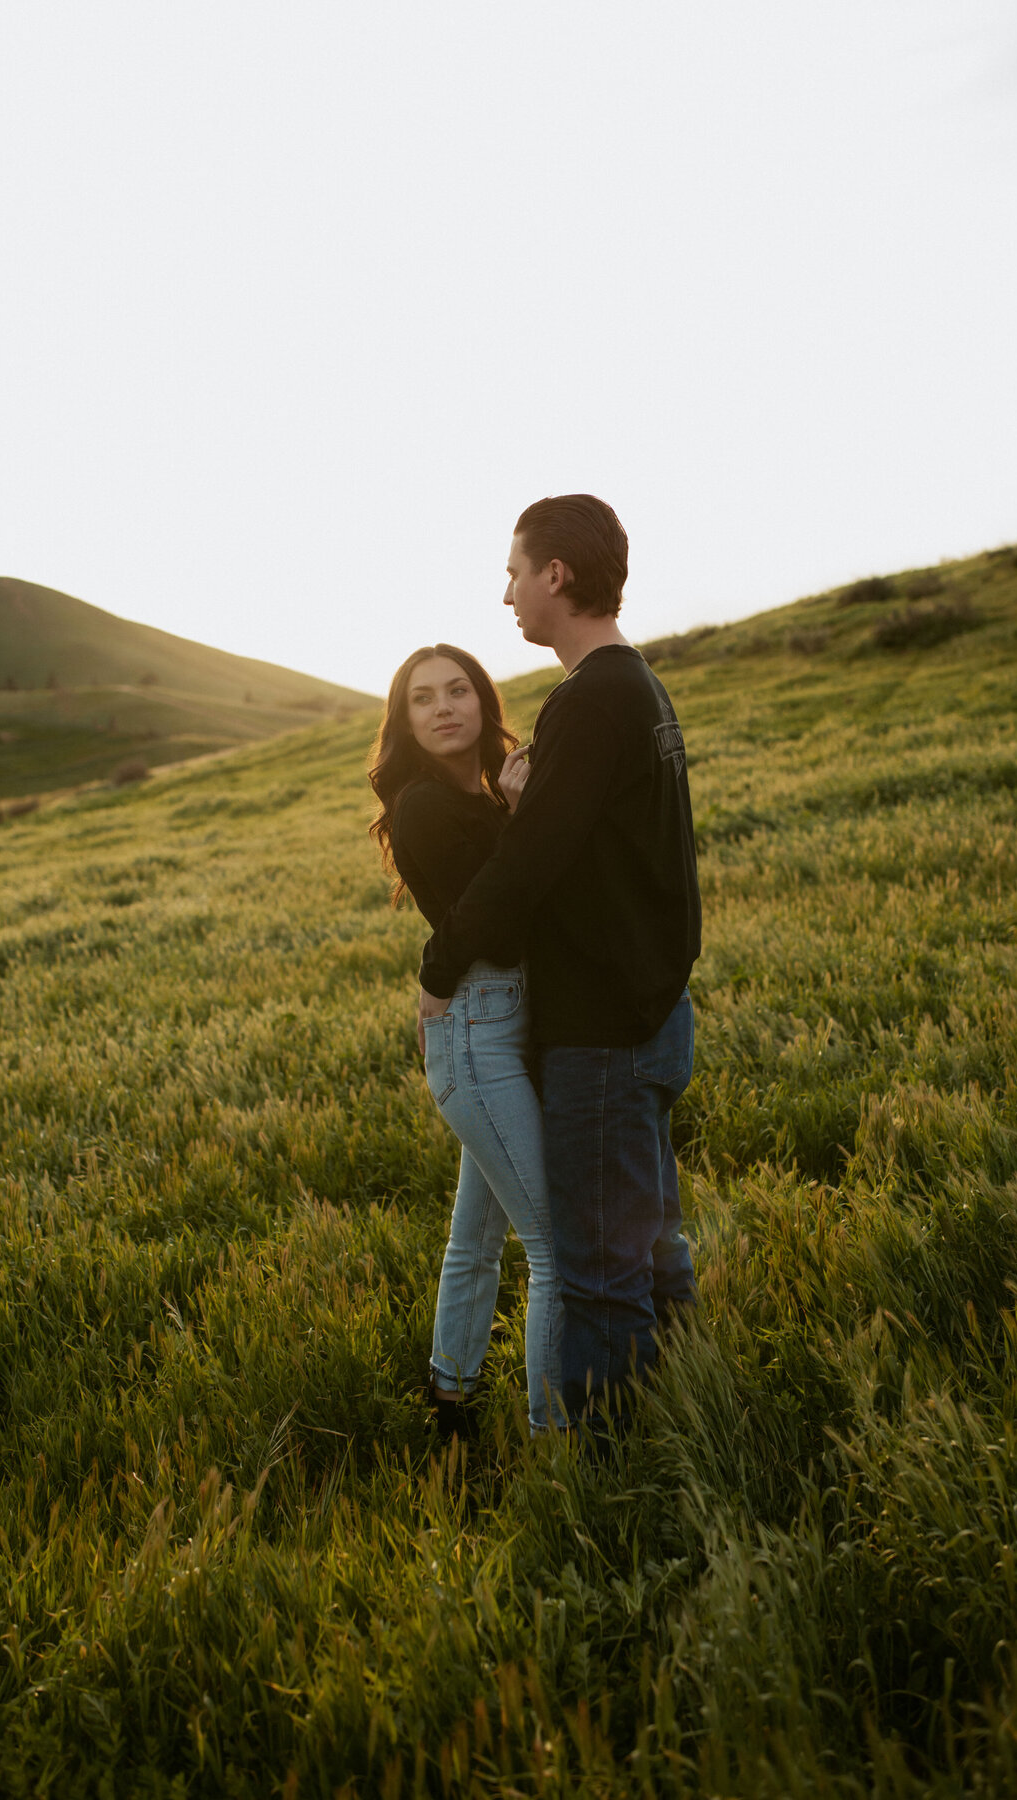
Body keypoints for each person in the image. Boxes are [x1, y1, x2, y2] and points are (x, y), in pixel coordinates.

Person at [417, 496, 702, 1432]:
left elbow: (529, 867)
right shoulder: (639, 687)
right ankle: (688, 1406)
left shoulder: (590, 699)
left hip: (606, 1029)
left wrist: (437, 964)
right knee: (651, 1241)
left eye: (513, 573)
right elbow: (596, 847)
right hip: (655, 1010)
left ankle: (609, 1472)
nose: (505, 595)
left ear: (557, 577)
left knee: (594, 1266)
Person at [368, 644, 565, 1438]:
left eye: (458, 690)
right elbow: (493, 913)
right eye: (424, 698)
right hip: (477, 1026)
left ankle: (449, 1402)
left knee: (476, 1236)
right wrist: (521, 817)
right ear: (406, 721)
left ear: (483, 702)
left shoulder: (480, 798)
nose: (445, 706)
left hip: (499, 1020)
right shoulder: (425, 806)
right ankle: (562, 1444)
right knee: (551, 1250)